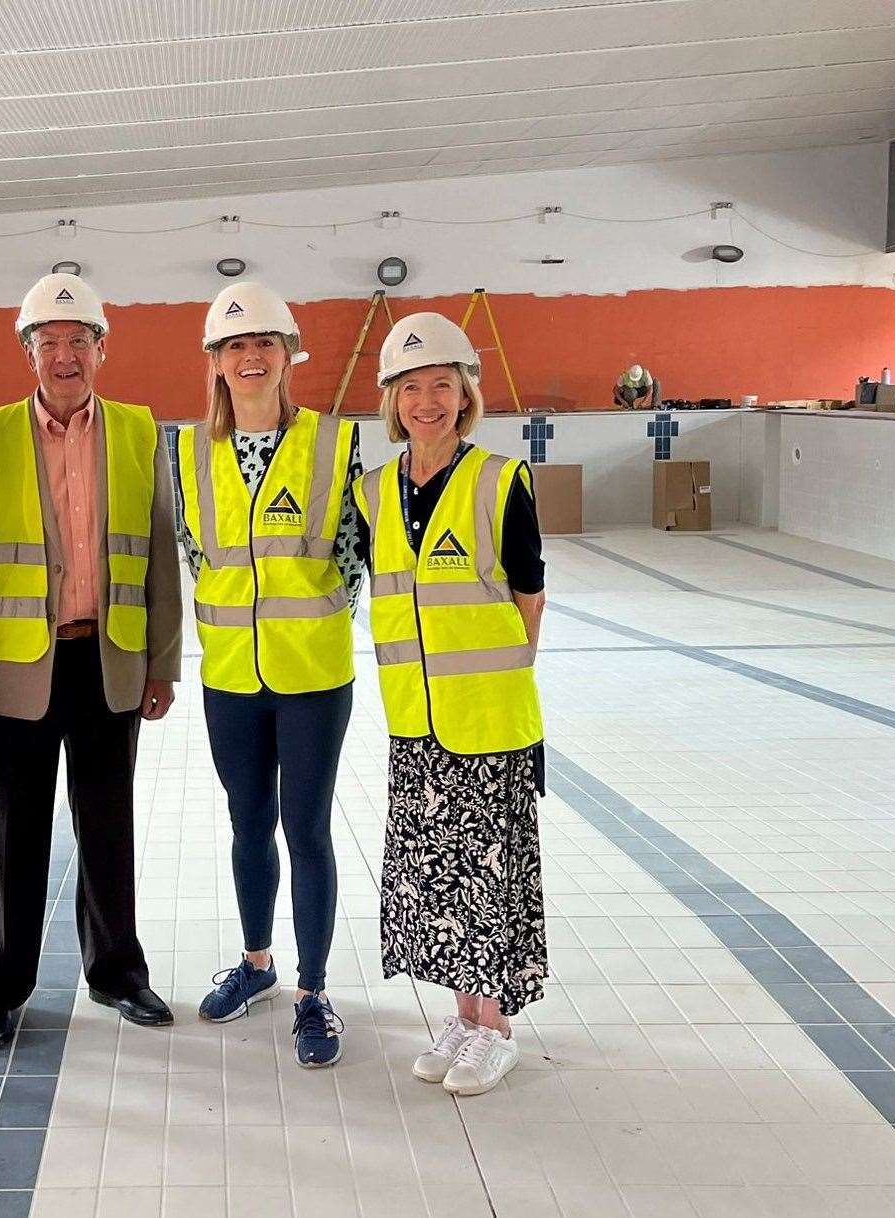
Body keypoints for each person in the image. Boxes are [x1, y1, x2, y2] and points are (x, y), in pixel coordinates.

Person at [0, 272, 183, 1049]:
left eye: (77, 341)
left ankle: (118, 974)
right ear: (28, 353)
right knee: (9, 831)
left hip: (108, 659)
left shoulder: (138, 431)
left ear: (100, 350)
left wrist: (161, 664)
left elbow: (159, 554)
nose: (63, 356)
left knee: (108, 825)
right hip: (16, 666)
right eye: (48, 343)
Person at [352, 312, 549, 1097]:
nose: (427, 401)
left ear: (466, 394)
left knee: (491, 877)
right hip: (416, 721)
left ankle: (495, 1027)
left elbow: (530, 594)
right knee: (438, 880)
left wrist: (499, 680)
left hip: (491, 723)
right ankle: (464, 1020)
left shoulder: (501, 479)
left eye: (442, 385)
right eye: (411, 388)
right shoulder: (375, 494)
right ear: (392, 402)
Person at [177, 281, 362, 1068]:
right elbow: (194, 553)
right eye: (234, 346)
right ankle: (258, 966)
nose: (250, 357)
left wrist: (308, 622)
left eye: (264, 344)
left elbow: (355, 551)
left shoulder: (333, 441)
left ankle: (314, 993)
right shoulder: (187, 451)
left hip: (313, 675)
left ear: (288, 357)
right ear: (216, 363)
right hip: (230, 677)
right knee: (247, 824)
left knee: (306, 828)